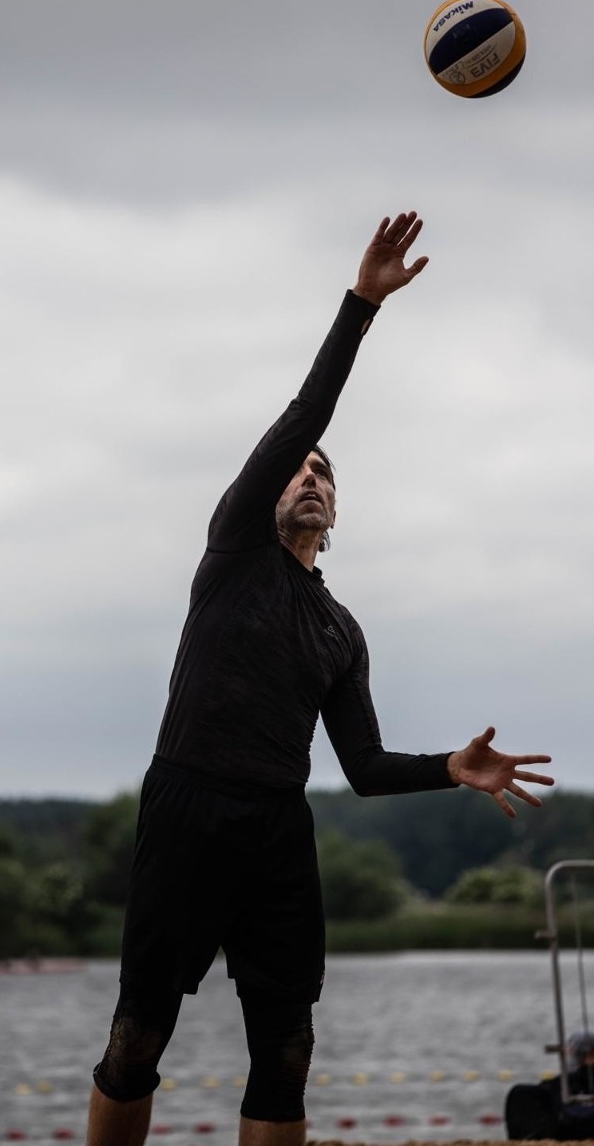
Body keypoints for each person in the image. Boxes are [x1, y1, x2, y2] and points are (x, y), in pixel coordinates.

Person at [86, 211, 554, 1146]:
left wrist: (449, 768)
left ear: (335, 510)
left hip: (276, 830)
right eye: (298, 471)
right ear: (267, 492)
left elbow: (366, 766)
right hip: (187, 806)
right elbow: (307, 413)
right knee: (140, 1035)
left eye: (325, 477)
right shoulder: (232, 550)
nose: (309, 477)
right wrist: (361, 306)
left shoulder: (341, 630)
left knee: (288, 1045)